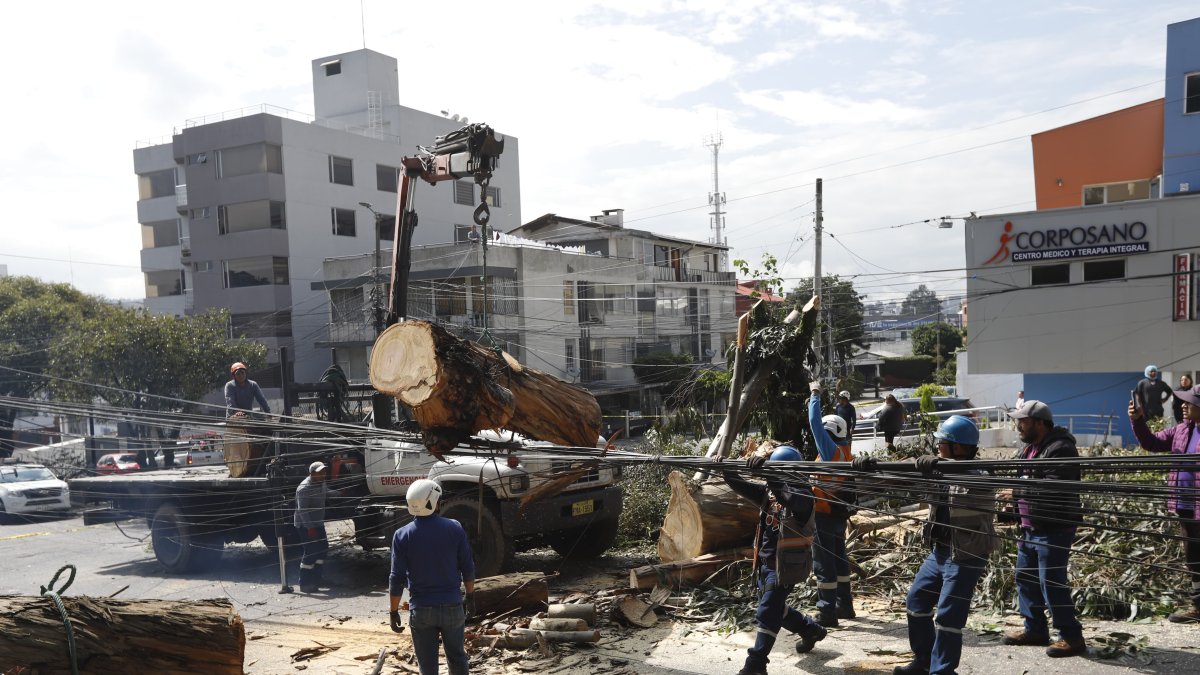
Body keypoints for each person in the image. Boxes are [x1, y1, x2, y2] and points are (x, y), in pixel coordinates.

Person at [856, 416, 997, 675]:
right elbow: (902, 474)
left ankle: (942, 670)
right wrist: (871, 468)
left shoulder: (982, 474)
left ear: (958, 447)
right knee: (916, 602)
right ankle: (923, 661)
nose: (937, 448)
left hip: (966, 555)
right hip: (940, 552)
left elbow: (975, 481)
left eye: (941, 443)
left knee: (948, 617)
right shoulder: (938, 468)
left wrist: (939, 466)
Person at [722, 440, 827, 675]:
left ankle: (756, 664)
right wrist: (727, 472)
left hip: (785, 567)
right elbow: (746, 487)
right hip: (764, 564)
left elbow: (788, 497)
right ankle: (810, 629)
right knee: (775, 608)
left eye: (777, 470)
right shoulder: (771, 492)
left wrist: (770, 475)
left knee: (767, 612)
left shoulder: (803, 496)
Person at [999, 400, 1087, 658]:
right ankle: (1035, 628)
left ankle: (1072, 636)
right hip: (1030, 527)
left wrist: (1016, 492)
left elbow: (1053, 487)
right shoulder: (1030, 449)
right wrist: (1014, 508)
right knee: (1025, 578)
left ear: (1040, 423)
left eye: (1023, 421)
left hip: (1053, 526)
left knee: (1051, 583)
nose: (1018, 426)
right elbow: (1024, 481)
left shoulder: (1061, 448)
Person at [1129, 384, 1200, 623]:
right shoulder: (1181, 430)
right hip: (1185, 504)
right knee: (1193, 556)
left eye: (1188, 402)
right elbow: (1151, 442)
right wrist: (1139, 421)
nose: (1183, 406)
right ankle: (1198, 605)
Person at [389, 479, 475, 675]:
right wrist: (470, 596)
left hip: (421, 610)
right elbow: (468, 566)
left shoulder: (402, 535)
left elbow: (396, 578)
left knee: (427, 667)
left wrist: (393, 612)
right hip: (453, 607)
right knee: (457, 659)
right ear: (435, 502)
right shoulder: (454, 528)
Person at [810, 383, 856, 626]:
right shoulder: (845, 451)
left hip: (824, 515)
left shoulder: (830, 452)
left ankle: (826, 612)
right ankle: (845, 605)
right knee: (839, 560)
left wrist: (815, 395)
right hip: (837, 516)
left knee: (823, 564)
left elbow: (814, 424)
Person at [295, 461, 332, 593]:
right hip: (306, 525)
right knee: (310, 551)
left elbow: (326, 492)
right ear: (312, 474)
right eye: (320, 472)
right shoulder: (304, 488)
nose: (323, 475)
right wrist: (310, 528)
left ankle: (317, 578)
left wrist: (340, 493)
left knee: (322, 548)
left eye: (324, 472)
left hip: (318, 522)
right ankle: (304, 583)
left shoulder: (321, 483)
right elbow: (302, 511)